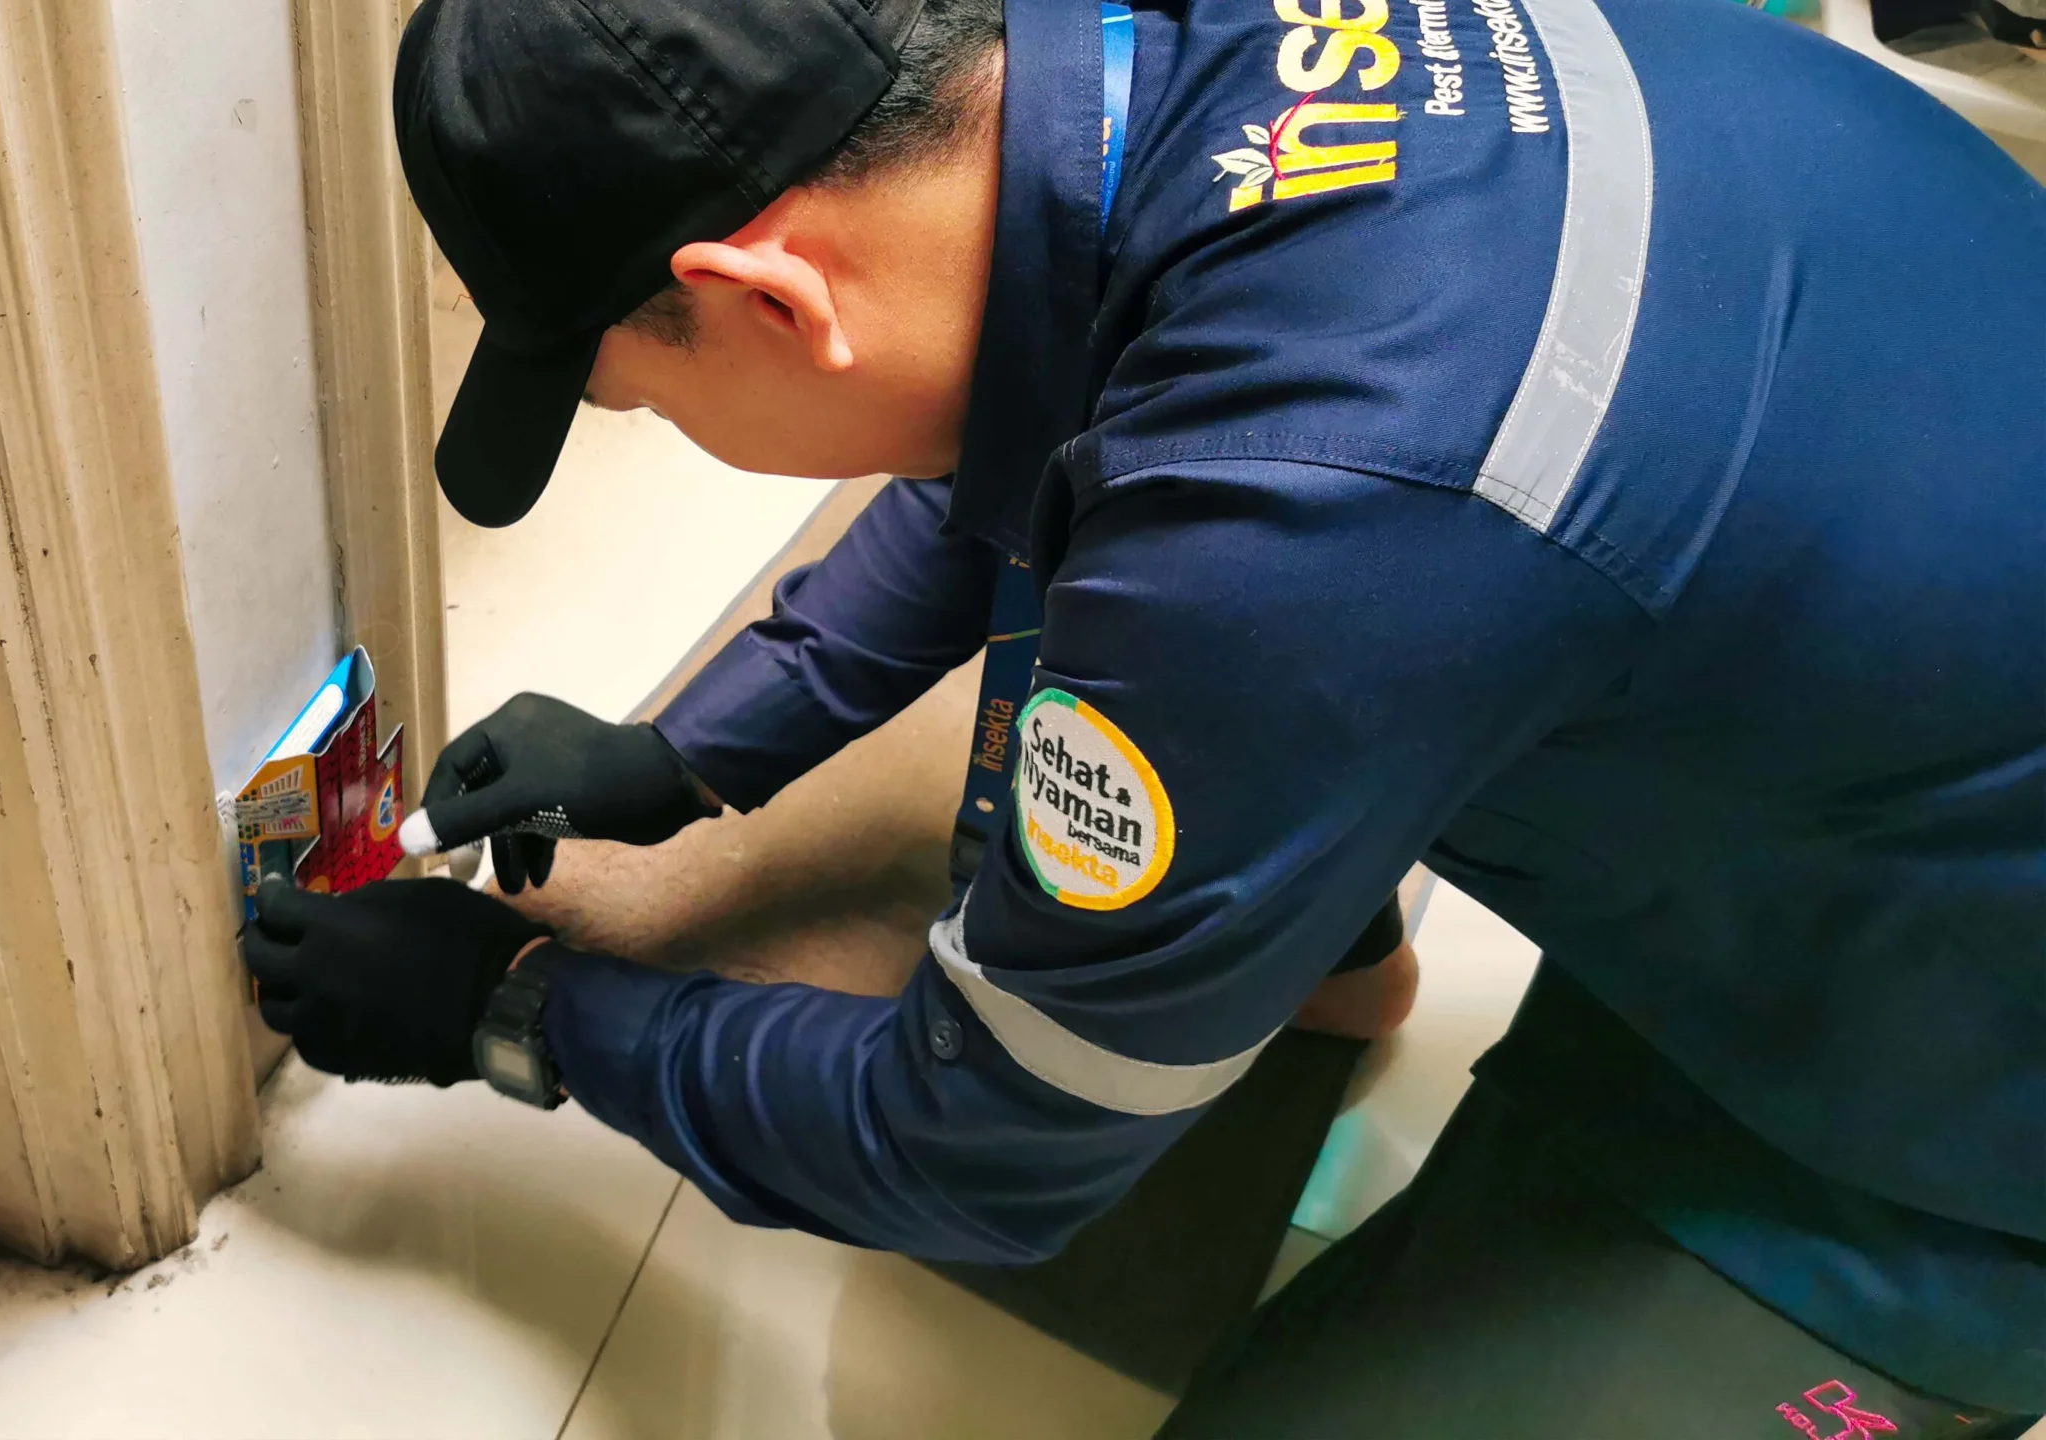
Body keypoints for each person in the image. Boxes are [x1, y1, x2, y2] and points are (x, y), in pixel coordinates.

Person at [234, 0, 2046, 1428]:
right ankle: (1315, 957)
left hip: (1951, 1124)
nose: (647, 422)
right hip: (1857, 694)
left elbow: (968, 1147)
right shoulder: (1154, 69)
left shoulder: (1299, 526)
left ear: (767, 297)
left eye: (631, 393)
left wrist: (514, 1006)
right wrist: (695, 748)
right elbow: (1055, 416)